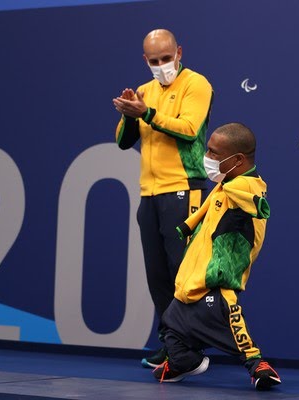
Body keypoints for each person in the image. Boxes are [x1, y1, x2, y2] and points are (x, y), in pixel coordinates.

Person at [152, 123, 282, 391]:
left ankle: (259, 367)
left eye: (213, 153)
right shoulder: (224, 186)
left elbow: (257, 202)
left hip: (217, 282)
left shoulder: (247, 187)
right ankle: (183, 362)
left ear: (237, 160)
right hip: (190, 283)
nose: (207, 157)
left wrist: (253, 202)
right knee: (171, 326)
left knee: (236, 333)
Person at [112, 29, 213, 368]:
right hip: (150, 194)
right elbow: (123, 142)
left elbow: (189, 128)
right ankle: (172, 343)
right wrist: (130, 114)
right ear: (145, 60)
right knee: (157, 276)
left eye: (166, 58)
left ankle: (192, 346)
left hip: (185, 189)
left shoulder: (196, 84)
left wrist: (147, 114)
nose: (161, 65)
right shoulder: (143, 92)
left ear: (179, 52)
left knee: (183, 274)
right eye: (154, 61)